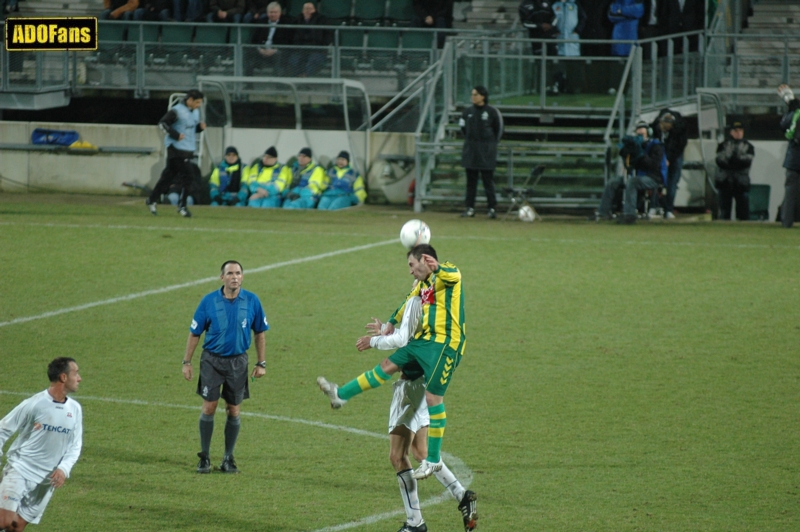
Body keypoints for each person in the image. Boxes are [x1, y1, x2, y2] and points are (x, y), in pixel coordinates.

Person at [317, 243, 466, 481]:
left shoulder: (446, 273)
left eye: (411, 265)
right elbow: (405, 303)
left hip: (445, 344)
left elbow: (454, 275)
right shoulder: (423, 285)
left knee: (433, 398)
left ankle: (434, 460)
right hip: (423, 342)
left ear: (425, 261)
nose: (410, 271)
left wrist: (437, 268)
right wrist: (388, 324)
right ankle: (340, 395)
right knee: (387, 365)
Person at [356, 294, 478, 532]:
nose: (414, 284)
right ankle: (463, 496)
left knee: (397, 456)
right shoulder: (437, 314)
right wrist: (386, 329)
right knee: (421, 451)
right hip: (423, 385)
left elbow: (404, 342)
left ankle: (415, 523)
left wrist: (377, 339)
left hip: (411, 388)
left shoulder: (423, 306)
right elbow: (408, 336)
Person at [182, 260, 269, 474]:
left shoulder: (252, 301)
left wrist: (261, 362)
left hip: (238, 362)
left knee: (234, 409)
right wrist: (187, 362)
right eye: (230, 273)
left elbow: (260, 332)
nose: (234, 277)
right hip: (212, 361)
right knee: (209, 407)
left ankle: (228, 458)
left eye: (238, 273)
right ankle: (204, 457)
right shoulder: (209, 301)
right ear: (222, 277)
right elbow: (195, 333)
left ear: (243, 276)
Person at [0, 358, 83, 532]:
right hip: (21, 470)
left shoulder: (75, 409)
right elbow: (3, 429)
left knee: (16, 527)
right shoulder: (35, 404)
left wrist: (64, 469)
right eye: (75, 373)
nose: (79, 378)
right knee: (4, 521)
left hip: (47, 481)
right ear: (63, 377)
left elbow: (75, 446)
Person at [147, 89, 206, 218]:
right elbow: (163, 123)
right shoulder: (177, 110)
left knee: (167, 177)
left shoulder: (195, 112)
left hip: (187, 150)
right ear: (189, 100)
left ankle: (151, 200)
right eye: (197, 102)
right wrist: (175, 135)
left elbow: (189, 130)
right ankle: (182, 206)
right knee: (189, 176)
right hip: (176, 149)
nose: (198, 105)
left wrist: (199, 129)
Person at [595, 120, 666, 224]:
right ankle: (603, 212)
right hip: (637, 175)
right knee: (613, 182)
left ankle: (630, 215)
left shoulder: (656, 146)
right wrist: (627, 154)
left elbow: (653, 165)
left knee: (632, 182)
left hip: (653, 177)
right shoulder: (635, 146)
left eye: (642, 134)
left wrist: (641, 155)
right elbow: (629, 166)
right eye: (638, 134)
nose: (640, 136)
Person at [459, 86, 503, 219]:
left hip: (486, 154)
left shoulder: (492, 112)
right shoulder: (467, 112)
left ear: (483, 96)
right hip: (471, 153)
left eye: (476, 94)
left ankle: (492, 208)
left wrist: (489, 146)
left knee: (488, 182)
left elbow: (499, 130)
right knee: (470, 183)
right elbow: (462, 129)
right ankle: (470, 208)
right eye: (472, 94)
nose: (473, 97)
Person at [650, 110, 688, 219]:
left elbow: (680, 146)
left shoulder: (680, 129)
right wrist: (660, 157)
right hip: (660, 153)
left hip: (676, 155)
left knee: (672, 183)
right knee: (655, 180)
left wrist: (669, 159)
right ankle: (653, 206)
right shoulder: (656, 127)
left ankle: (668, 209)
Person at [715, 119, 754, 221]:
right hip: (725, 182)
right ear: (731, 132)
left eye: (740, 130)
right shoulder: (723, 145)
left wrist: (732, 162)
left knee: (743, 212)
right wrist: (736, 162)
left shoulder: (749, 146)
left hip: (741, 183)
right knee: (724, 212)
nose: (739, 133)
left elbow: (747, 162)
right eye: (736, 130)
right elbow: (719, 161)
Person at [778, 84, 800, 228]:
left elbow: (784, 125)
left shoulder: (795, 114)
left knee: (790, 194)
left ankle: (786, 222)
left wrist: (790, 103)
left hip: (794, 160)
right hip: (794, 159)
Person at [250, 1, 294, 73]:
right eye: (271, 12)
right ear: (267, 13)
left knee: (279, 56)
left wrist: (275, 50)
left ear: (280, 13)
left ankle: (278, 82)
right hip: (262, 51)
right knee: (249, 54)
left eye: (275, 12)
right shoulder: (261, 22)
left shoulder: (286, 23)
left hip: (277, 52)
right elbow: (254, 40)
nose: (273, 14)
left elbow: (287, 41)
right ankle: (247, 83)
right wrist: (260, 49)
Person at [291, 3, 331, 77]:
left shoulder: (321, 20)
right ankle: (298, 78)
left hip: (317, 49)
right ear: (302, 11)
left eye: (310, 9)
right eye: (306, 9)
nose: (308, 11)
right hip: (300, 49)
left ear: (314, 10)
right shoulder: (297, 20)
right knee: (294, 60)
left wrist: (322, 46)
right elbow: (292, 35)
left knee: (314, 60)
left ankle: (306, 79)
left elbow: (328, 35)